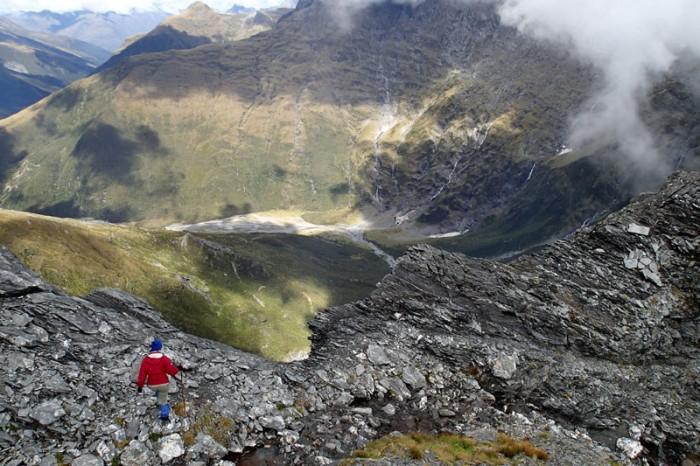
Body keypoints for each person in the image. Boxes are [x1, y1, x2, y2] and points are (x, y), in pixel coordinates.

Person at [137, 339, 179, 420]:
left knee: (157, 390)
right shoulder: (164, 359)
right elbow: (172, 371)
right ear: (160, 348)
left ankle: (157, 397)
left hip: (152, 385)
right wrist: (178, 370)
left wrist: (140, 387)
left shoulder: (145, 360)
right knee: (163, 400)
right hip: (163, 384)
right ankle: (164, 416)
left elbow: (142, 375)